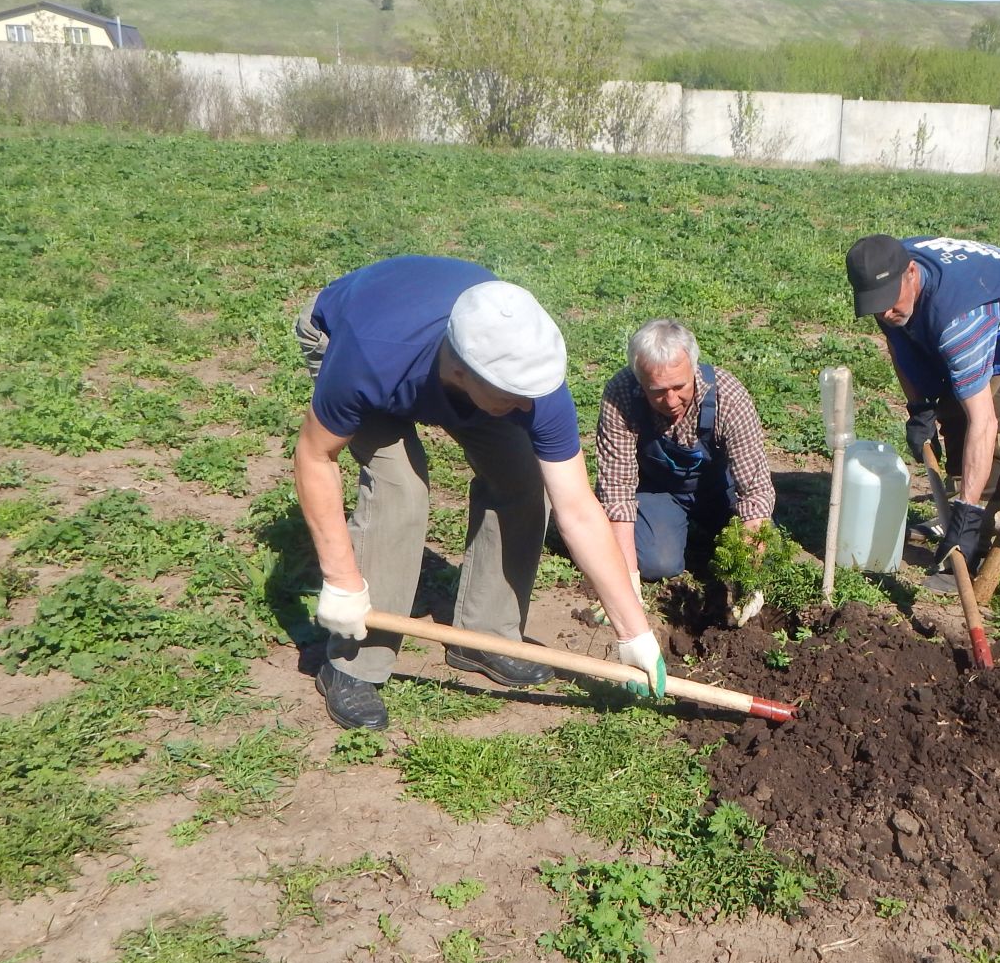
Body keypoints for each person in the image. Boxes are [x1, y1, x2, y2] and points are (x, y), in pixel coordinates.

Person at [293, 255, 664, 731]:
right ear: (463, 373)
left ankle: (484, 637)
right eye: (515, 396)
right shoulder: (369, 354)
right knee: (400, 489)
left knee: (523, 479)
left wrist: (634, 631)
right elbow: (314, 456)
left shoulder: (531, 383)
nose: (530, 408)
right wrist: (341, 580)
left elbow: (577, 509)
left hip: (439, 361)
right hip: (351, 335)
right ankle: (353, 664)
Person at [845, 234, 1000, 581]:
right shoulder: (886, 282)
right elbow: (900, 348)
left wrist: (966, 517)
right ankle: (956, 513)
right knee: (950, 407)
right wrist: (920, 407)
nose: (885, 312)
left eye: (890, 303)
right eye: (876, 305)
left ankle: (975, 535)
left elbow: (981, 421)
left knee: (970, 420)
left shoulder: (960, 320)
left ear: (911, 272)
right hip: (974, 303)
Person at [593, 318, 776, 586]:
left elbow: (755, 491)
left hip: (719, 488)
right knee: (657, 563)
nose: (670, 401)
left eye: (679, 387)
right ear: (639, 379)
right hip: (659, 490)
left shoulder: (728, 395)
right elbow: (616, 491)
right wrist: (627, 580)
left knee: (765, 548)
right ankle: (665, 530)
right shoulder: (622, 393)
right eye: (657, 391)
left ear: (693, 366)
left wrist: (749, 580)